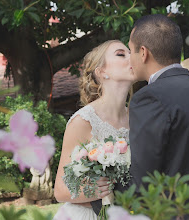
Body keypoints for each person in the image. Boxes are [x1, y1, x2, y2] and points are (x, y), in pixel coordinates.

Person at [92, 14, 189, 219]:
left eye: (131, 51)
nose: (130, 59)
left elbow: (141, 185)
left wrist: (102, 193)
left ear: (144, 53)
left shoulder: (149, 98)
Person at [53, 40, 135, 220]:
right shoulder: (83, 121)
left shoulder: (138, 118)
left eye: (132, 52)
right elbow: (60, 190)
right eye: (121, 54)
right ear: (102, 72)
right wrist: (94, 191)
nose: (132, 57)